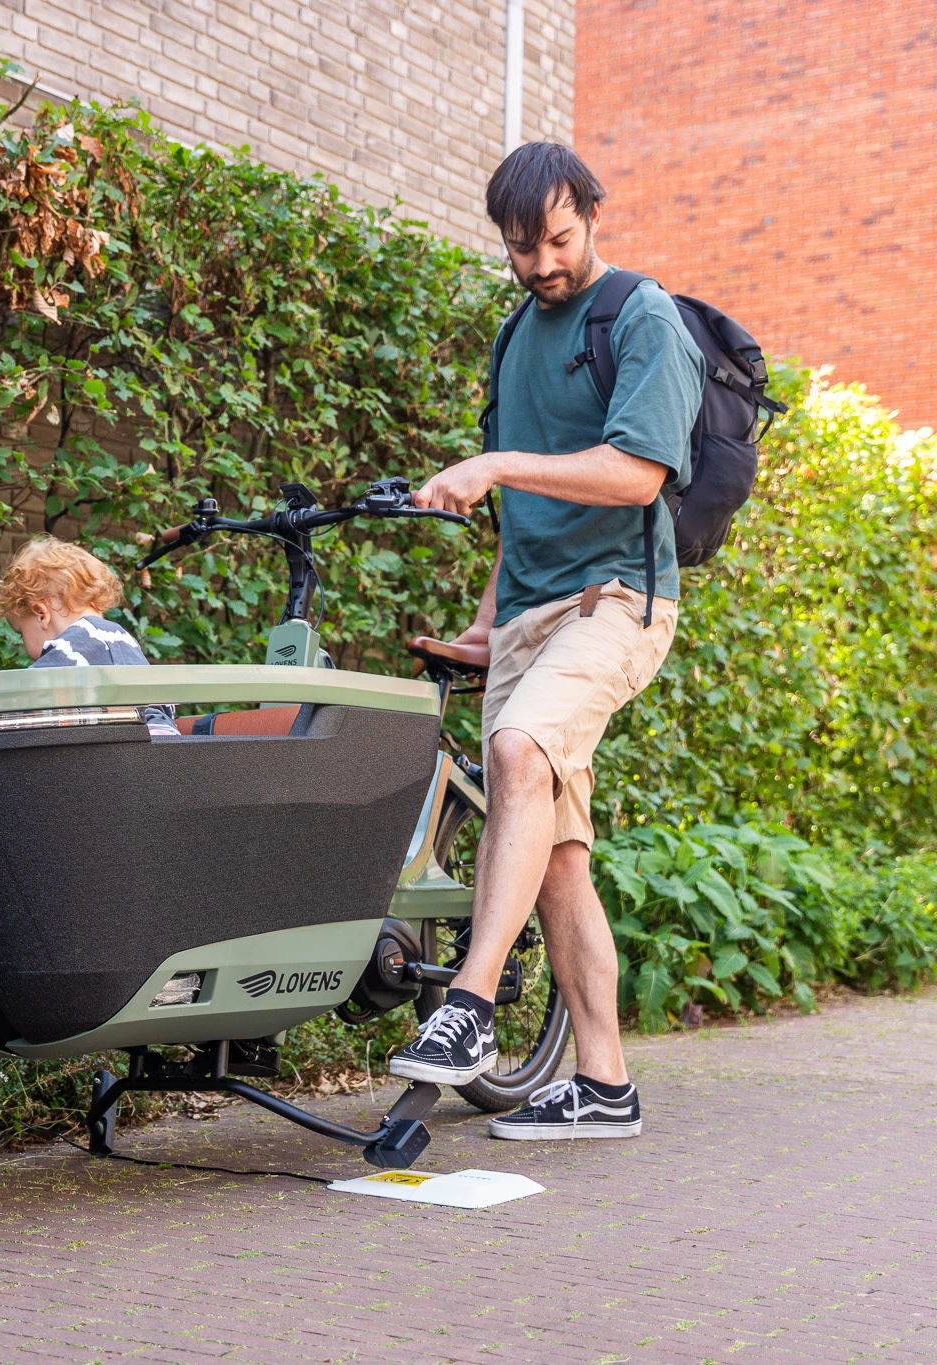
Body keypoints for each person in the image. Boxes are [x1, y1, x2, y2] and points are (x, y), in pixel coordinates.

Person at [389, 143, 702, 1140]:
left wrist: (491, 464)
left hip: (617, 601)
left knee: (520, 750)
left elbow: (635, 473)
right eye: (521, 249)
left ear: (591, 216)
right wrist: (488, 625)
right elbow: (521, 511)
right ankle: (604, 1086)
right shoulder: (515, 333)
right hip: (525, 617)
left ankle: (467, 1009)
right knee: (557, 856)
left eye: (558, 241)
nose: (541, 265)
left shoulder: (640, 316)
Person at [0, 536, 178, 737]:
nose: (23, 643)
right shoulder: (123, 638)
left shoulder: (70, 646)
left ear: (41, 615)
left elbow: (22, 702)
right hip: (163, 742)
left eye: (21, 633)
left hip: (127, 747)